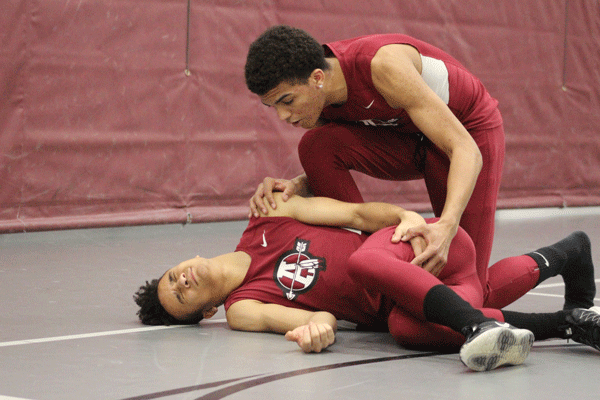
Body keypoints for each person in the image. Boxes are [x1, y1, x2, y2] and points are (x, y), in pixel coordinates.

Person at [134, 194, 599, 372]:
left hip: (420, 248)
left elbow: (355, 215)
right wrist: (316, 331)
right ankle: (568, 315)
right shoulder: (242, 308)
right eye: (183, 295)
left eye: (175, 276)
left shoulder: (269, 215)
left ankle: (479, 328)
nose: (183, 280)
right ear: (207, 312)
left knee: (363, 262)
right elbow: (317, 316)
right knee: (406, 329)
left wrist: (406, 218)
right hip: (431, 297)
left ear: (187, 257)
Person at [244, 25, 506, 303]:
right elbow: (334, 152)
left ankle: (556, 258)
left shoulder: (382, 65)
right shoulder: (318, 100)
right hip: (411, 139)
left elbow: (465, 149)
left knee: (469, 288)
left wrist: (447, 225)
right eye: (272, 106)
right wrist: (297, 185)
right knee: (315, 145)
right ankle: (375, 266)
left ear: (317, 77)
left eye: (287, 101)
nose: (283, 115)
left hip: (467, 137)